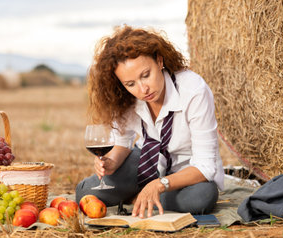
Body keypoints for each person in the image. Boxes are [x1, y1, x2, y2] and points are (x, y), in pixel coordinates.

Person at [76, 25, 224, 219]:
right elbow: (122, 142)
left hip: (189, 173)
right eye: (131, 84)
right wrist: (112, 162)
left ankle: (139, 197)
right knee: (86, 193)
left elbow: (205, 166)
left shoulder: (193, 90)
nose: (143, 89)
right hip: (146, 161)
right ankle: (145, 196)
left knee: (202, 198)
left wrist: (159, 185)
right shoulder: (125, 98)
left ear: (159, 61)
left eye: (146, 75)